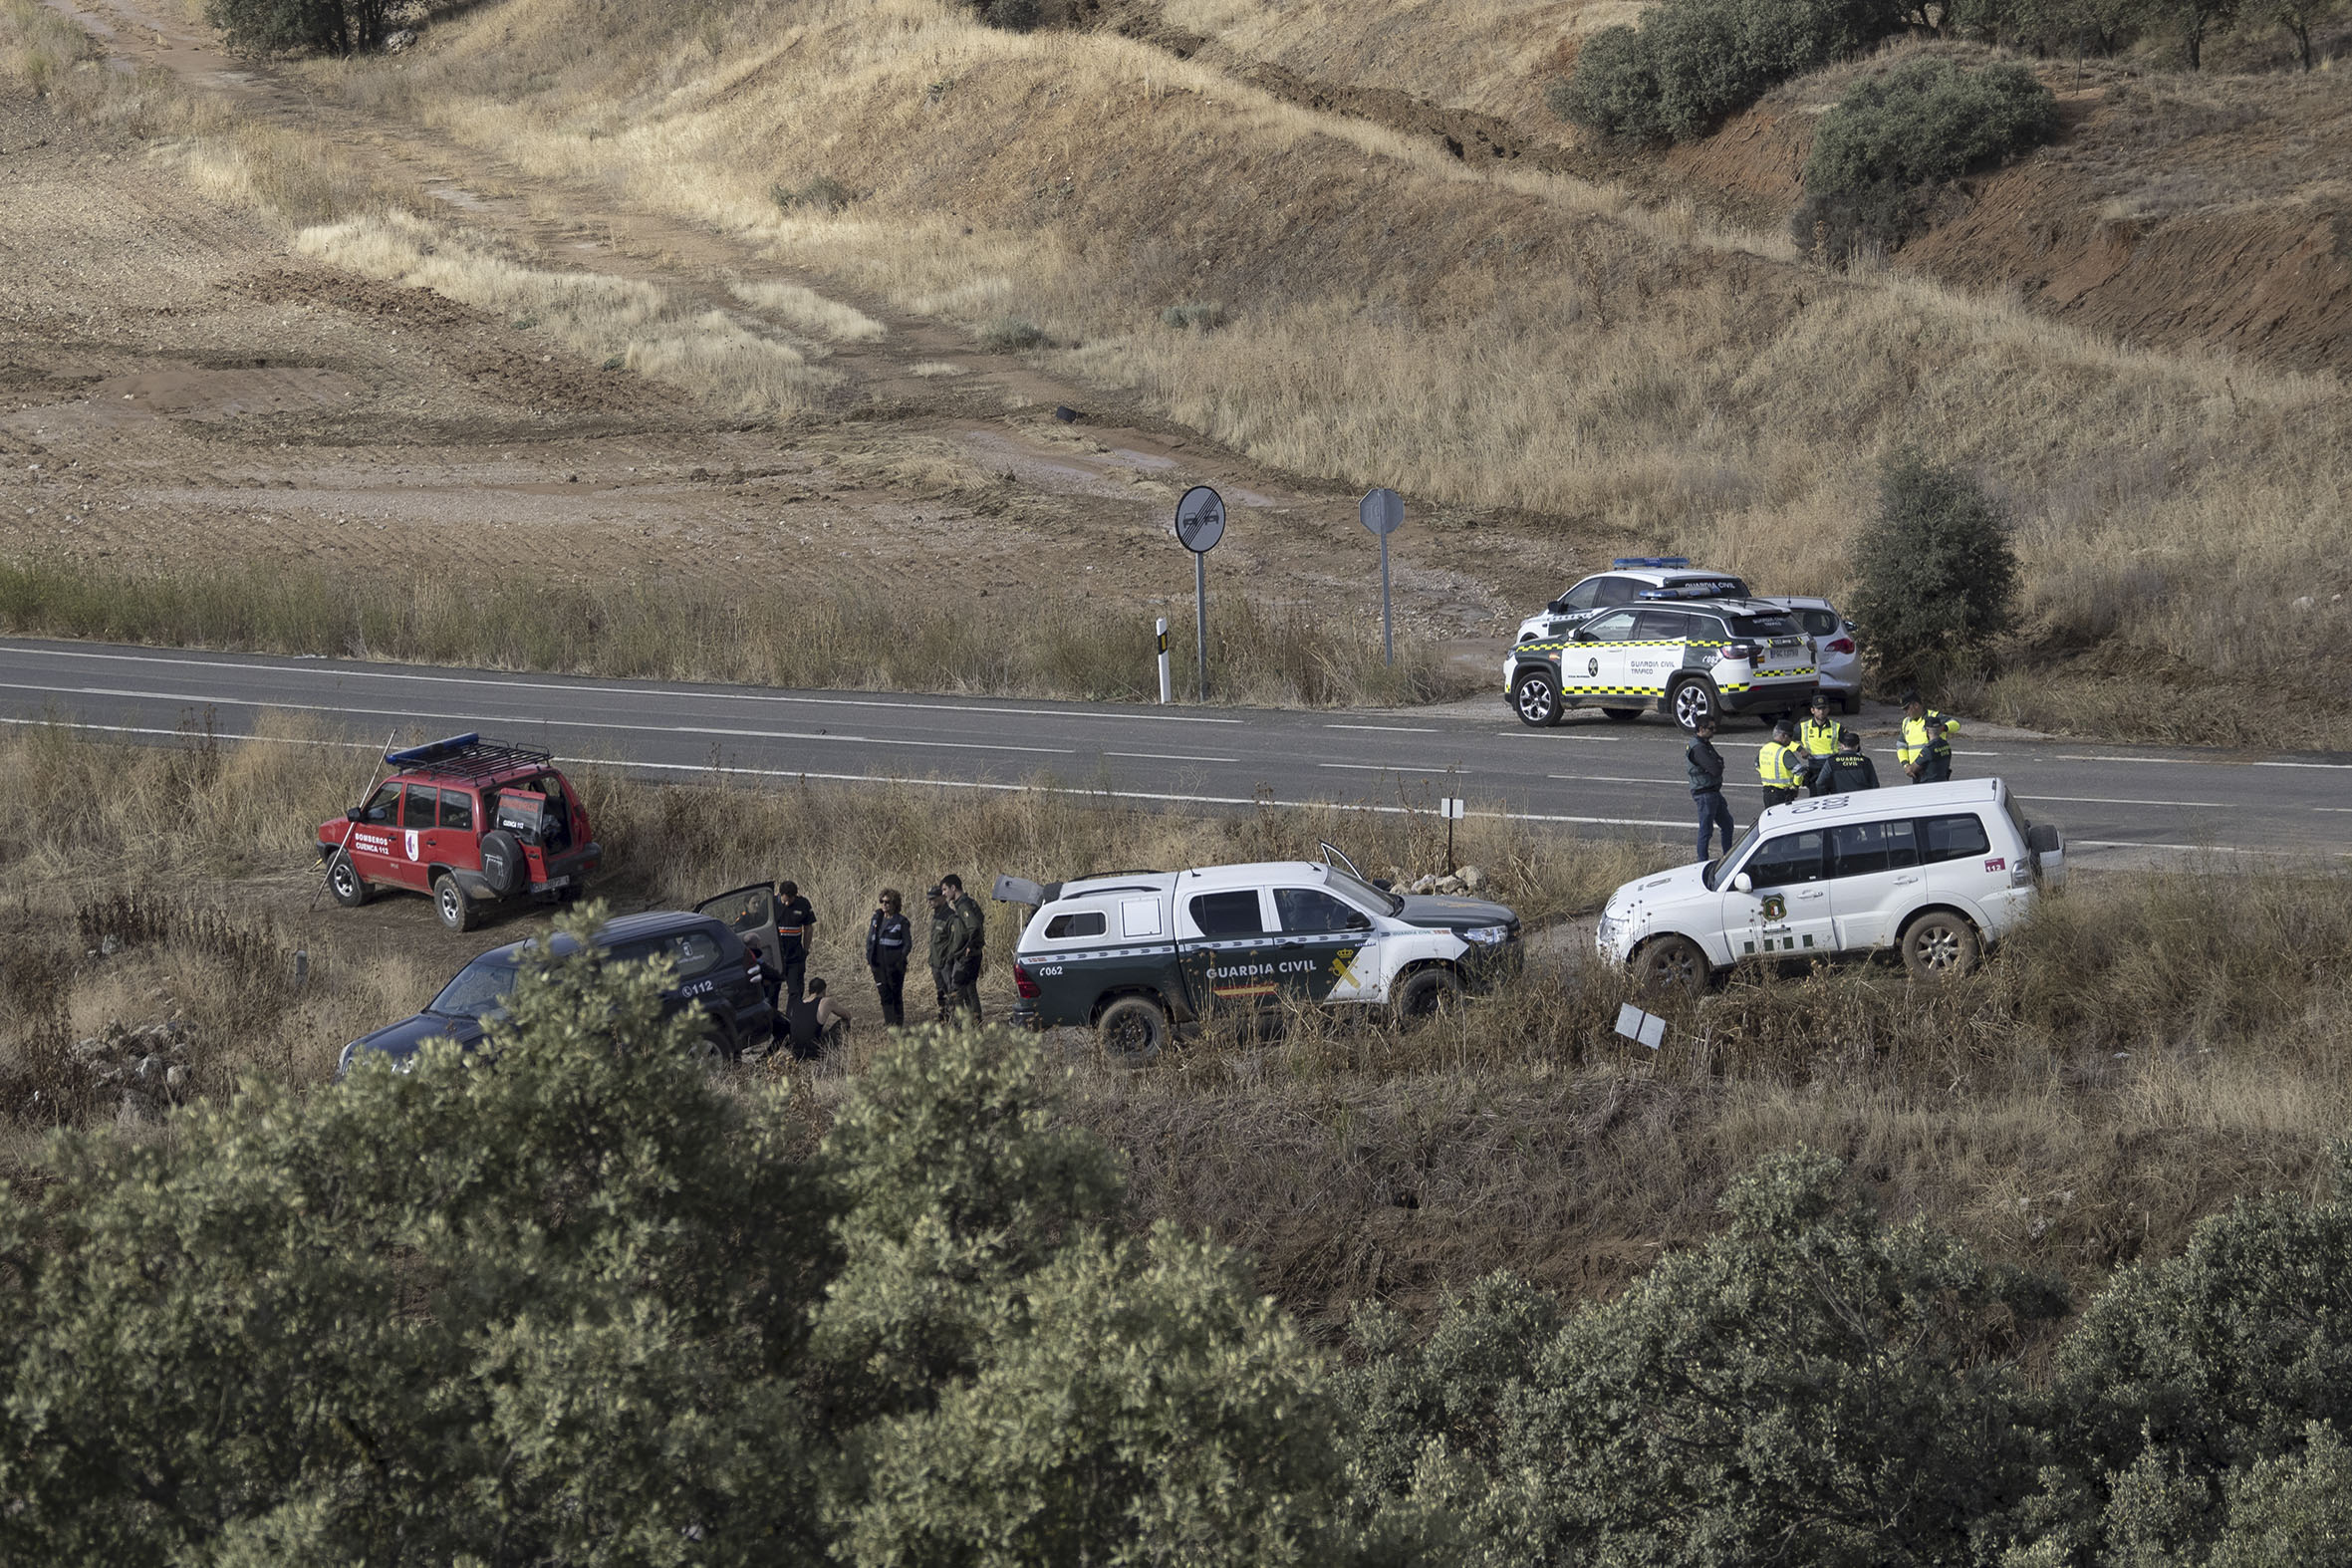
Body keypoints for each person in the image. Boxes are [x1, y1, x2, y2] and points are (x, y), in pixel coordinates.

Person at [1686, 716, 1735, 863]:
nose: (1714, 731)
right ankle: (1702, 862)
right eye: (1711, 728)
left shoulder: (1704, 743)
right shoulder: (1698, 748)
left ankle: (1728, 857)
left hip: (1712, 791)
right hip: (1705, 793)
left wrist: (1718, 763)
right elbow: (1715, 768)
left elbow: (1719, 760)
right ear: (1701, 729)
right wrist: (1717, 764)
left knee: (1727, 824)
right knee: (1706, 830)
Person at [865, 887, 913, 1028]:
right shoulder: (876, 918)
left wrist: (899, 959)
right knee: (884, 995)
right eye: (882, 901)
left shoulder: (901, 921)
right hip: (878, 965)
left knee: (895, 994)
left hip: (895, 967)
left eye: (887, 902)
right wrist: (869, 959)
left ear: (895, 904)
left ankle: (898, 1024)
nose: (884, 905)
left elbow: (908, 944)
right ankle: (889, 1023)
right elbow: (869, 940)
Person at [944, 873, 985, 1022]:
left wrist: (969, 946)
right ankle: (975, 1023)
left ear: (953, 888)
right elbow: (980, 919)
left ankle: (959, 1026)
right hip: (972, 954)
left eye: (945, 889)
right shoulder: (968, 902)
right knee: (970, 989)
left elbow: (974, 926)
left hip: (967, 956)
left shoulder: (963, 905)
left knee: (957, 991)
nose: (944, 893)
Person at [1898, 691, 1959, 784]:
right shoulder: (1906, 723)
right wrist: (1905, 765)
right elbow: (1901, 746)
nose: (1905, 712)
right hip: (1916, 773)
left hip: (1934, 772)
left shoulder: (1933, 717)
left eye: (1907, 708)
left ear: (1916, 705)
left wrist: (1942, 728)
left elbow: (1955, 724)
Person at [784, 977, 853, 1059]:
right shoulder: (825, 1002)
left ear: (809, 991)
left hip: (796, 1051)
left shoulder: (796, 1004)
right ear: (823, 991)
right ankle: (837, 1054)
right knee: (845, 1023)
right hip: (815, 1051)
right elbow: (847, 1015)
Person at [774, 880, 816, 1012]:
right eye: (784, 901)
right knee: (772, 992)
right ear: (780, 894)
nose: (786, 904)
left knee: (796, 991)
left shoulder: (803, 903)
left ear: (795, 896)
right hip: (776, 955)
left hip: (794, 955)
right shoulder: (771, 903)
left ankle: (791, 1021)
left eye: (789, 901)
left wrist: (805, 949)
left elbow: (808, 928)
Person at [927, 882, 965, 1023]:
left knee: (951, 993)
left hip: (945, 964)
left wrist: (948, 959)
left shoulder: (950, 917)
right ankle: (943, 1018)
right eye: (929, 899)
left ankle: (954, 1020)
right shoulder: (936, 916)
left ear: (942, 898)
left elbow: (955, 942)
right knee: (940, 993)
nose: (930, 902)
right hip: (935, 962)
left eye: (933, 898)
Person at [1813, 727, 1881, 794]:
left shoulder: (1832, 762)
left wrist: (1826, 797)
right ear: (1857, 746)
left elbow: (1820, 783)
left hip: (1840, 801)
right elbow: (1875, 784)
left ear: (1842, 746)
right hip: (1862, 800)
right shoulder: (1865, 761)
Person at [1796, 693, 1840, 795]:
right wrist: (1799, 749)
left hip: (1833, 770)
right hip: (1815, 770)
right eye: (1818, 709)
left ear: (1828, 710)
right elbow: (1786, 740)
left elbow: (1850, 744)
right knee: (1816, 801)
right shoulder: (1803, 727)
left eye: (1824, 708)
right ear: (1812, 710)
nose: (1821, 711)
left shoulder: (1836, 727)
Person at [1757, 720, 1803, 809]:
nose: (1791, 740)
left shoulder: (1764, 749)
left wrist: (1768, 773)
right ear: (1783, 736)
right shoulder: (1784, 752)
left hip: (1767, 793)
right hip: (1782, 794)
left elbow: (1757, 764)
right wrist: (1795, 786)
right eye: (1790, 736)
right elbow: (1799, 771)